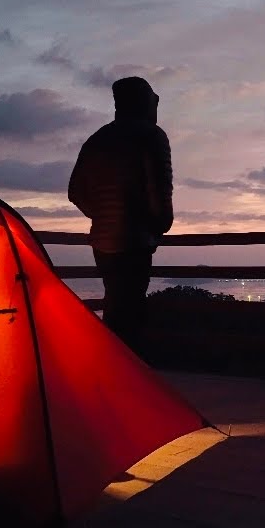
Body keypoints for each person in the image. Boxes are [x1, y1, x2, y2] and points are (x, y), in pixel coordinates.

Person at [67, 76, 173, 351]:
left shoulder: (98, 138)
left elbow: (75, 191)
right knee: (130, 314)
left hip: (102, 242)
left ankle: (110, 367)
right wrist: (158, 224)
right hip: (136, 240)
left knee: (115, 304)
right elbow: (159, 190)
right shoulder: (151, 136)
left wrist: (103, 214)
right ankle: (122, 374)